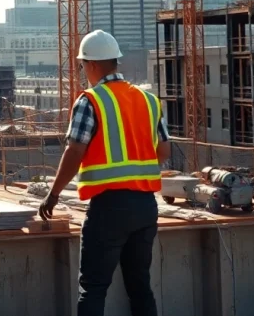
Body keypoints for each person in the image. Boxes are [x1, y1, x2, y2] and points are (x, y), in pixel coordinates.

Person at [38, 30, 170, 316]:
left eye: (82, 64)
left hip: (109, 208)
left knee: (93, 288)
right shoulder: (149, 100)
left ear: (93, 65)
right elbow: (165, 150)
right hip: (146, 206)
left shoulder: (91, 100)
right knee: (140, 286)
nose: (83, 70)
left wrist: (53, 194)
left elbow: (75, 151)